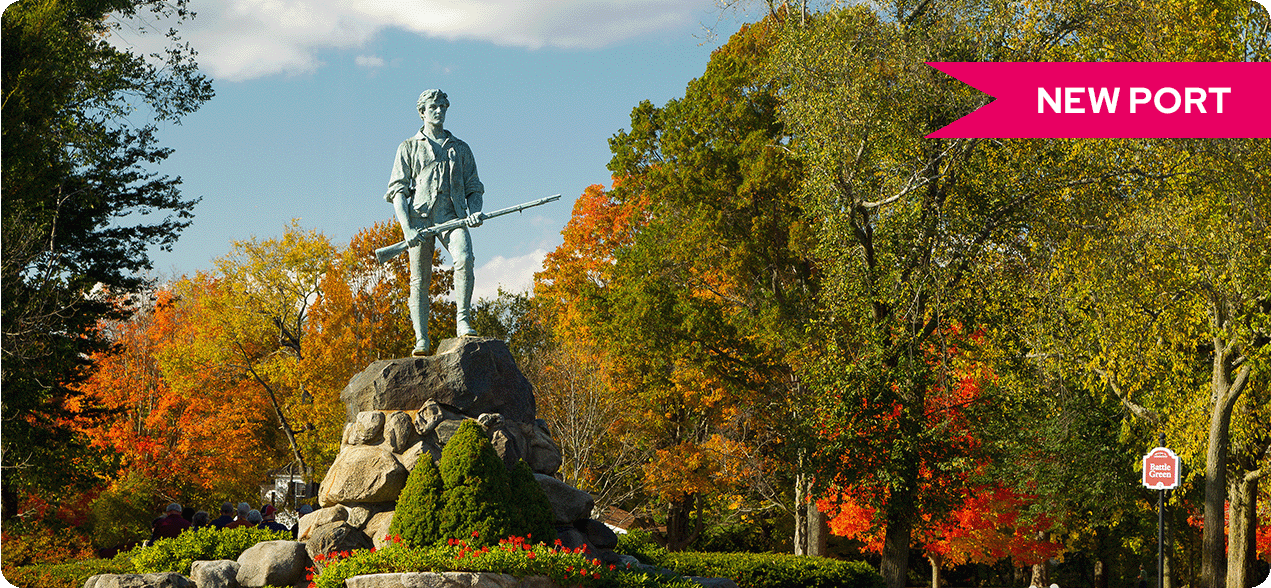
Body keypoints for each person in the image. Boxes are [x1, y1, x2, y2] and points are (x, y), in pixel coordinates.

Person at [386, 88, 485, 356]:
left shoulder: (460, 148)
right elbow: (398, 191)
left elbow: (474, 187)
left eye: (443, 106)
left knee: (464, 257)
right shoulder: (407, 147)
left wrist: (474, 210)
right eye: (434, 107)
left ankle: (463, 320)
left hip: (452, 215)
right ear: (422, 112)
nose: (439, 111)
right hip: (419, 220)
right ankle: (421, 339)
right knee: (419, 280)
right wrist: (407, 228)